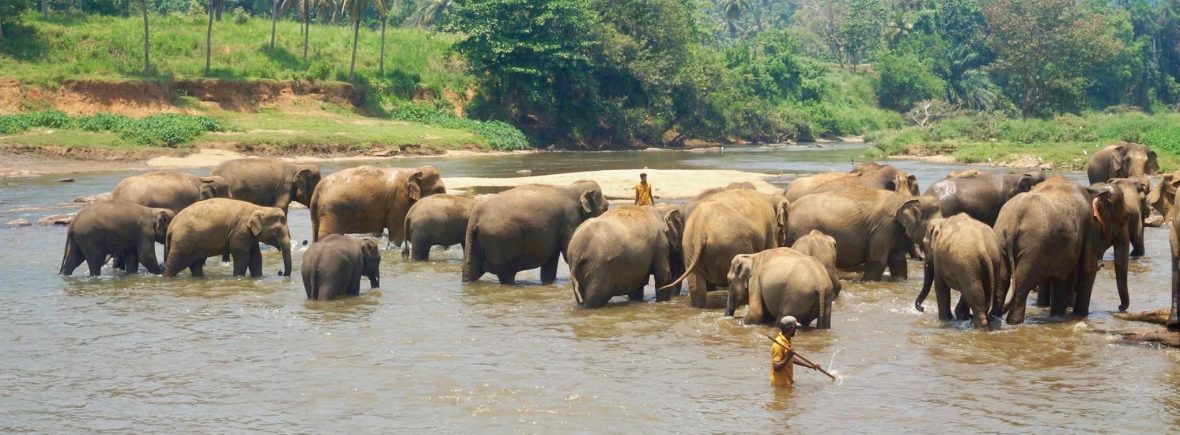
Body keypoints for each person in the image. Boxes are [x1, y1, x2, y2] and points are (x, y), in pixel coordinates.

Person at [770, 316, 820, 388]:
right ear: (792, 327)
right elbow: (776, 367)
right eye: (795, 328)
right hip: (781, 386)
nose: (795, 330)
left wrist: (810, 365)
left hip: (787, 383)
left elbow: (791, 357)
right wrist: (788, 357)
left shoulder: (786, 340)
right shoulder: (778, 345)